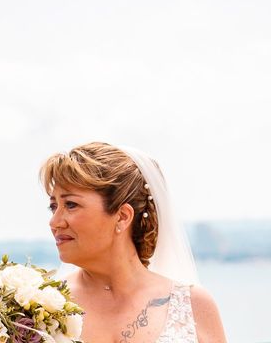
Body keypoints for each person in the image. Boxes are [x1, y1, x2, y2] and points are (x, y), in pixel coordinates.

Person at [40, 142, 227, 343]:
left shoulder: (194, 306)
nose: (55, 222)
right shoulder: (39, 307)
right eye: (53, 206)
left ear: (122, 216)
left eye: (71, 204)